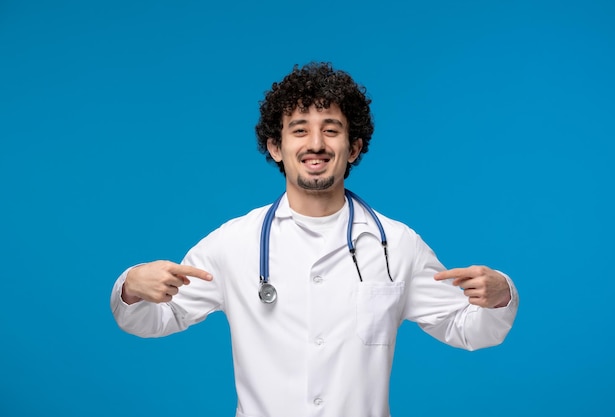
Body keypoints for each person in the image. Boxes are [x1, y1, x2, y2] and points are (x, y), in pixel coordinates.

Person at [111, 62, 519, 417]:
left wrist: (501, 295)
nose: (316, 144)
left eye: (332, 130)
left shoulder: (397, 245)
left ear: (354, 147)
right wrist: (132, 287)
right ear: (276, 147)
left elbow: (468, 330)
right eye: (299, 130)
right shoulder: (232, 244)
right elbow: (154, 321)